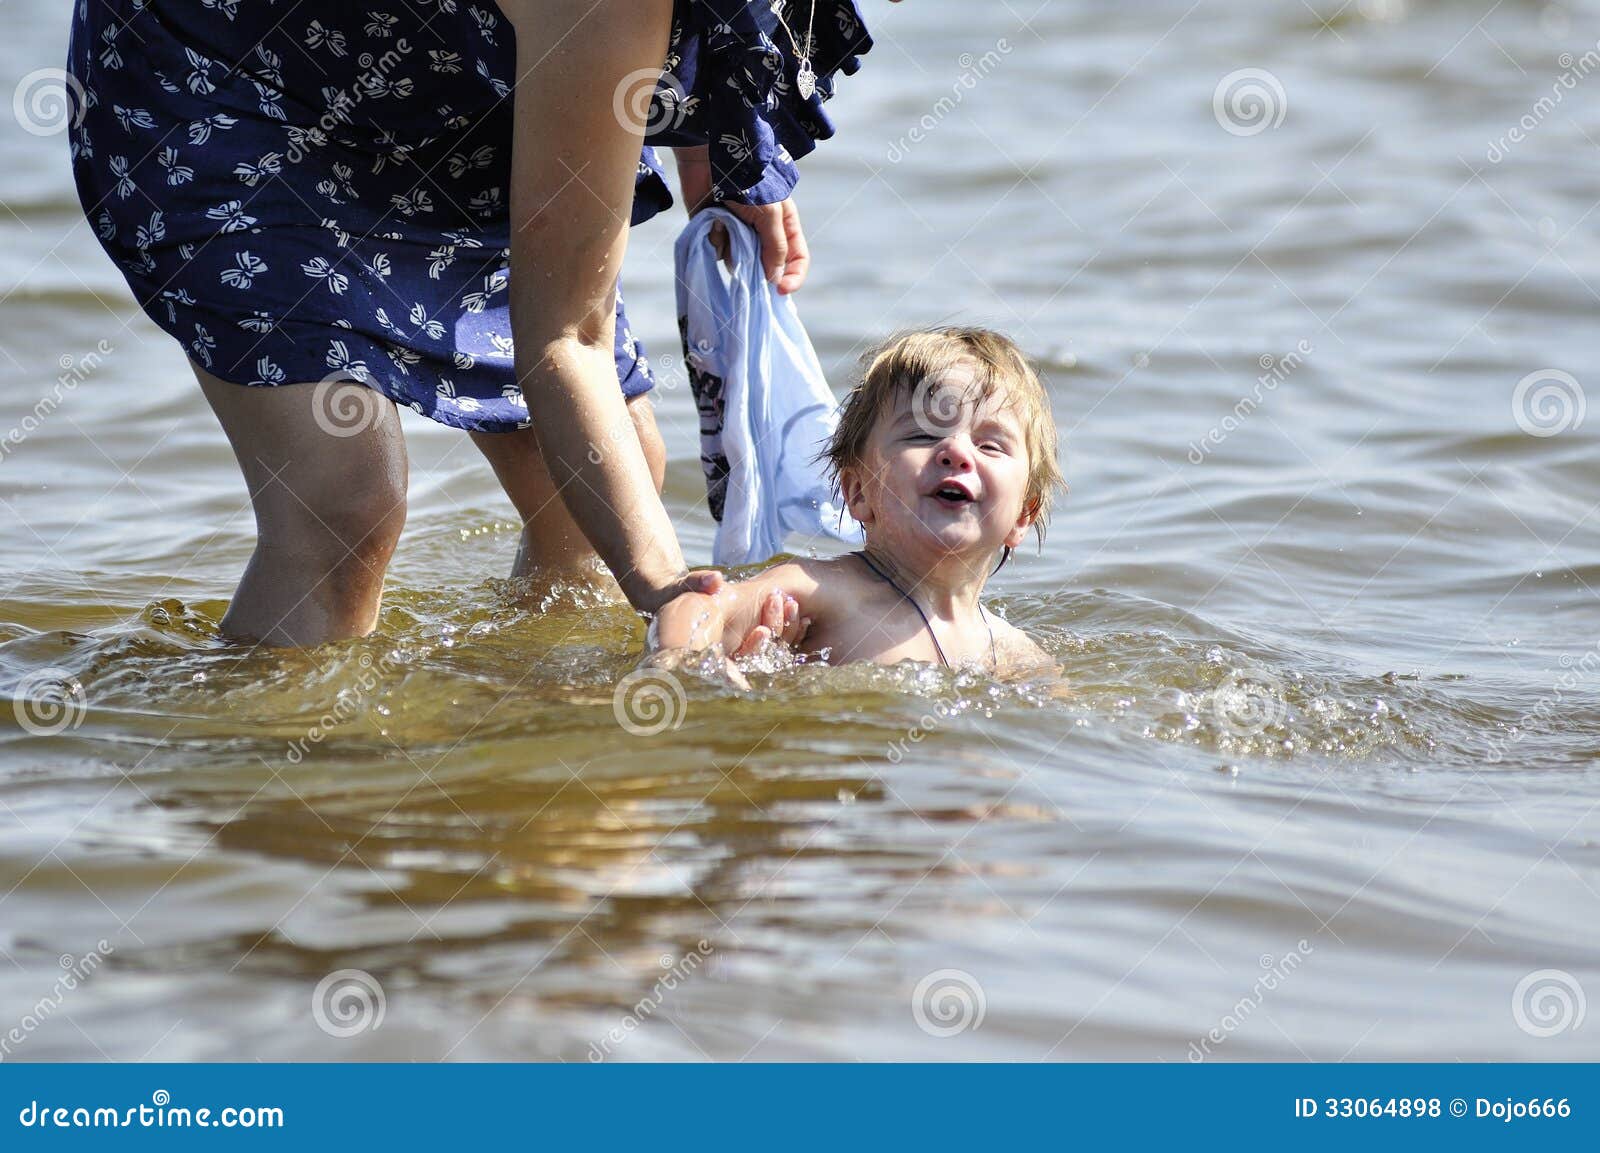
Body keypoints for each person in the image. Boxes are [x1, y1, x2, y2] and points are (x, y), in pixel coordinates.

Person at [65, 1, 881, 646]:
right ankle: (284, 815)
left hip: (453, 94)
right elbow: (567, 339)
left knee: (602, 488)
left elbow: (706, 41)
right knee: (342, 499)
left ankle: (538, 790)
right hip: (228, 73)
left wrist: (716, 148)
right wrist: (671, 592)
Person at [650, 327, 1065, 677]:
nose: (956, 451)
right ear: (859, 492)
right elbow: (695, 608)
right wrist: (684, 666)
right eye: (921, 435)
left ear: (1024, 514)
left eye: (990, 445)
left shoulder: (1017, 653)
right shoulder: (823, 591)